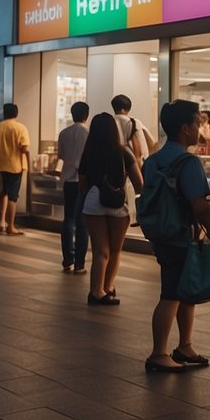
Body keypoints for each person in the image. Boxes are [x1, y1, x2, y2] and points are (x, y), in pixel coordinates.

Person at [143, 100, 210, 373]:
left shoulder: (152, 161)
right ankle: (159, 352)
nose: (200, 128)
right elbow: (201, 206)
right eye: (198, 123)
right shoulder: (188, 163)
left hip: (162, 233)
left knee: (185, 291)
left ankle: (185, 345)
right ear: (186, 128)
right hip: (182, 236)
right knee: (172, 294)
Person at [80, 113, 143, 305]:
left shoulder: (89, 151)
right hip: (117, 203)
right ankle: (106, 288)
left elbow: (81, 183)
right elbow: (139, 183)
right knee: (115, 251)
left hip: (93, 201)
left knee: (101, 251)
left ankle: (95, 291)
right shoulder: (123, 152)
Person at [0, 104, 31, 236]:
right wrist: (28, 164)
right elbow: (24, 148)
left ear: (4, 113)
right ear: (16, 114)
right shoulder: (20, 128)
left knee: (4, 193)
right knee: (12, 196)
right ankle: (11, 226)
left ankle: (1, 222)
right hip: (15, 166)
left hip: (0, 165)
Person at [57, 102, 90, 274]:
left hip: (68, 180)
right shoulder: (89, 134)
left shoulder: (64, 133)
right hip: (84, 181)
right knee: (82, 221)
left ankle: (67, 259)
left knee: (68, 218)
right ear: (87, 114)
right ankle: (80, 263)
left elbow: (61, 155)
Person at [112, 95, 153, 164]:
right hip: (133, 163)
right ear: (128, 108)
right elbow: (149, 143)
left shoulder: (110, 121)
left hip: (115, 163)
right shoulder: (135, 122)